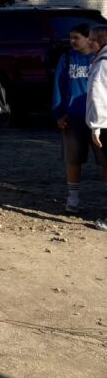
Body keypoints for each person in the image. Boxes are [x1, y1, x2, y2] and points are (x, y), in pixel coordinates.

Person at [52, 24, 100, 214]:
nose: (72, 41)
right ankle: (73, 198)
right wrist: (58, 113)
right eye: (70, 37)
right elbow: (58, 86)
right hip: (73, 116)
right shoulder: (68, 58)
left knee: (104, 160)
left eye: (76, 37)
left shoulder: (98, 59)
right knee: (73, 159)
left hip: (97, 117)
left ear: (89, 39)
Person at [86, 25, 107, 231]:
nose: (89, 42)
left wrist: (96, 126)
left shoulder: (102, 64)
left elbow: (97, 97)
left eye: (93, 39)